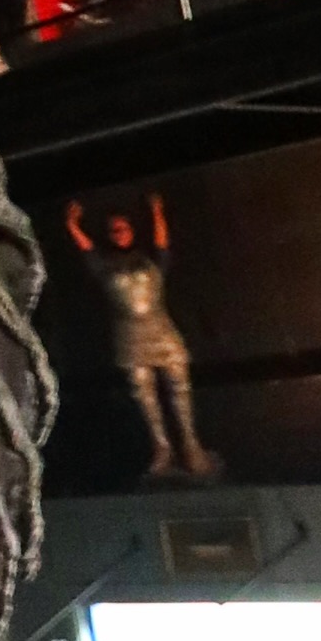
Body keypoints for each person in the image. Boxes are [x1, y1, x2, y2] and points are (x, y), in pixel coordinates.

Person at [64, 189, 222, 481]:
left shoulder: (149, 260)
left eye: (123, 228)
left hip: (162, 331)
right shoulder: (104, 265)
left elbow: (162, 244)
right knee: (145, 397)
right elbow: (87, 250)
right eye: (114, 230)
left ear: (132, 231)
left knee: (180, 390)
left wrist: (157, 213)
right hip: (130, 337)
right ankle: (161, 449)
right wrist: (73, 226)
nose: (119, 233)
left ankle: (190, 446)